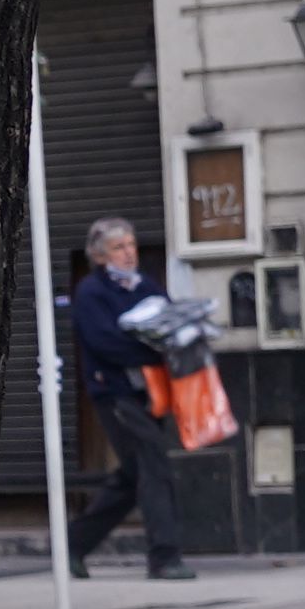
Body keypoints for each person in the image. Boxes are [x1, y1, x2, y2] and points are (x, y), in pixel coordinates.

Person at [65, 216, 198, 583]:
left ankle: (72, 546)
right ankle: (164, 557)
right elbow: (104, 342)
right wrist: (149, 346)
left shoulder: (146, 287)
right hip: (116, 394)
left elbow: (170, 324)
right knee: (153, 465)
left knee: (132, 476)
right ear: (100, 256)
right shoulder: (92, 292)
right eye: (119, 248)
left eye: (132, 246)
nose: (128, 253)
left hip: (151, 391)